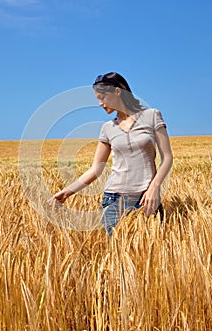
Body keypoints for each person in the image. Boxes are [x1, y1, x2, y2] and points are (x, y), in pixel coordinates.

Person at [48, 72, 173, 236]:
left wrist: (154, 187)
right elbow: (96, 169)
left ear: (118, 91)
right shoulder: (107, 128)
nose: (100, 103)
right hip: (113, 201)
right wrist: (66, 192)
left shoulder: (151, 116)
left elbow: (167, 158)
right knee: (117, 257)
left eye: (102, 97)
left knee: (154, 253)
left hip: (146, 199)